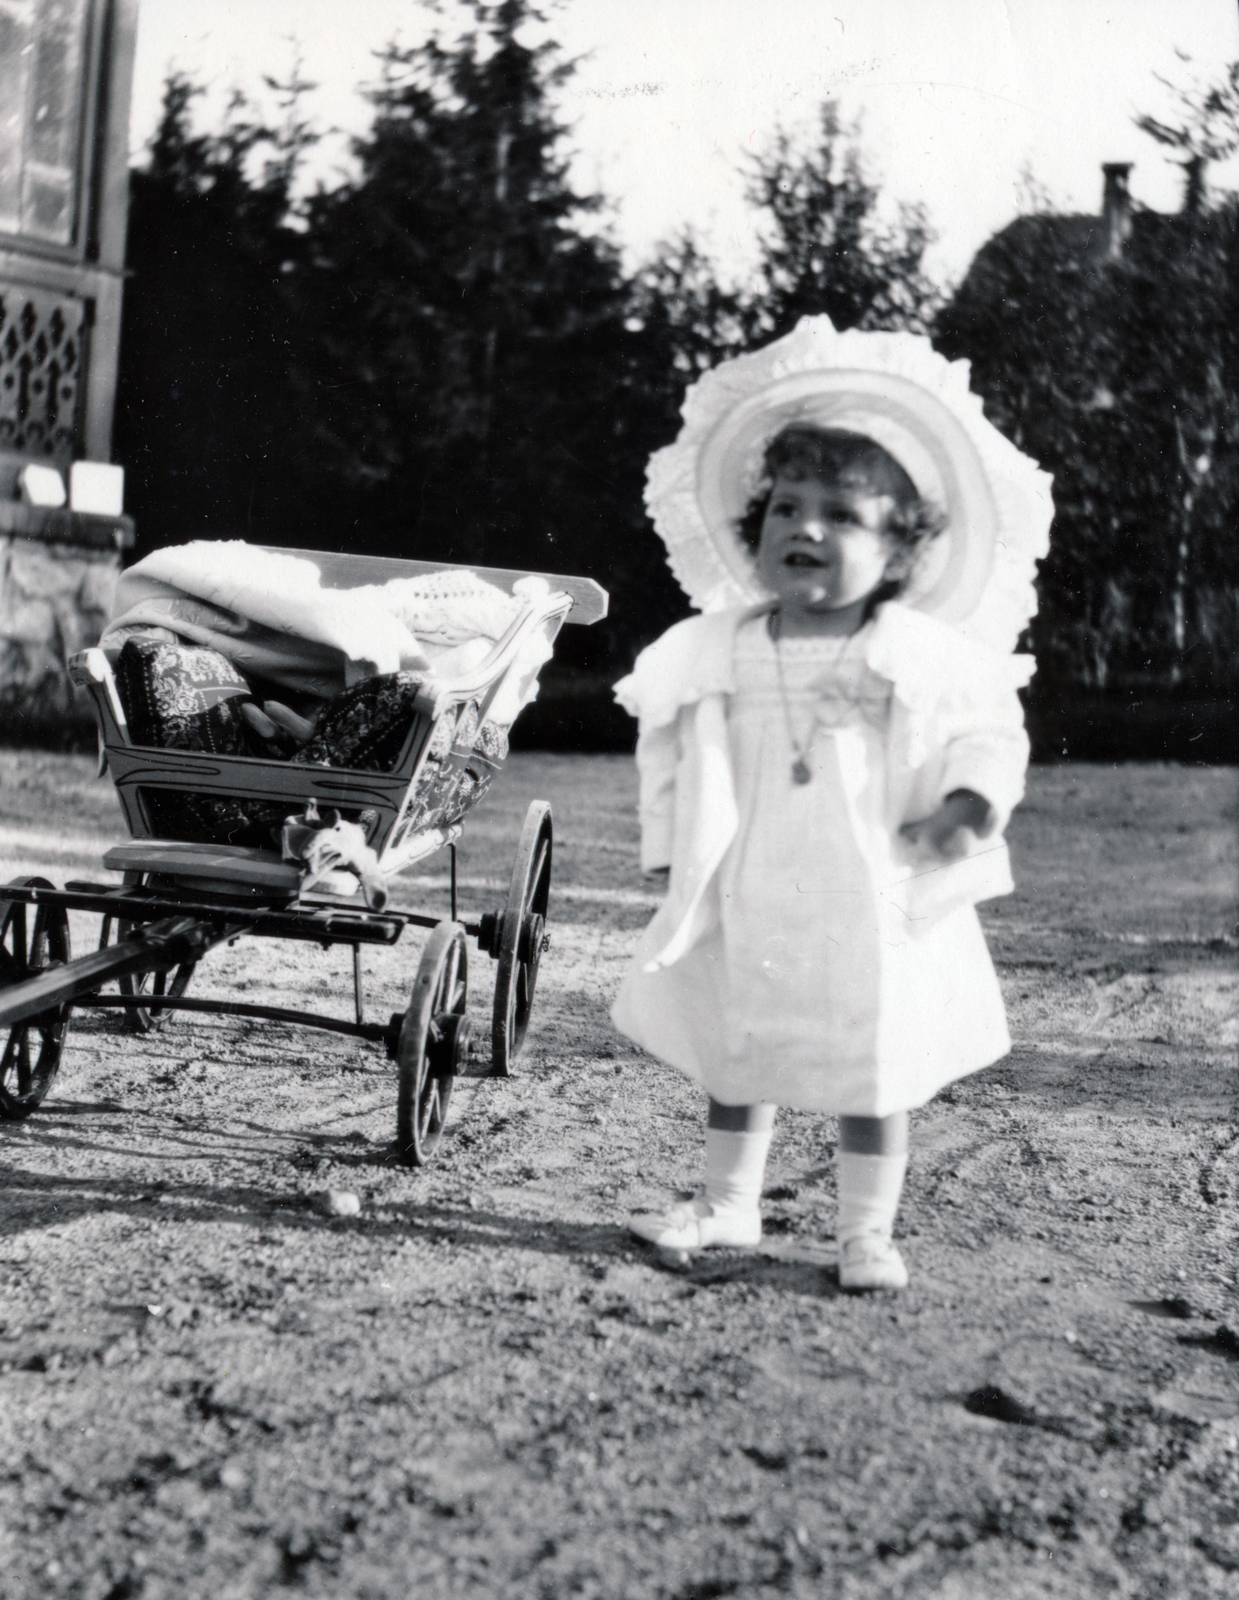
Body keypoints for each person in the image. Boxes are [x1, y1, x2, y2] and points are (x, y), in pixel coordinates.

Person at [610, 316, 1053, 1291]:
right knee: (742, 1041)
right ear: (754, 528)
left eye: (842, 517)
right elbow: (674, 743)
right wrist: (664, 841)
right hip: (754, 873)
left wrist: (967, 805)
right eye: (786, 509)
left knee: (873, 1055)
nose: (805, 529)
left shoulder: (908, 651)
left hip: (867, 883)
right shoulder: (718, 645)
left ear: (899, 554)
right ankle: (729, 1203)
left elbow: (983, 726)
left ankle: (866, 1229)